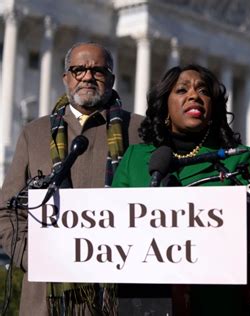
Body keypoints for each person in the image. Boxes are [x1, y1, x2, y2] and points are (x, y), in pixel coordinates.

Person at [0, 42, 143, 315]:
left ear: (111, 79)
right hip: (46, 298)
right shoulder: (35, 133)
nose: (88, 77)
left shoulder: (138, 130)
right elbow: (7, 209)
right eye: (78, 70)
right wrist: (29, 255)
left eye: (98, 71)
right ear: (66, 77)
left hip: (117, 296)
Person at [112, 64, 250, 315]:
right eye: (182, 90)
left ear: (213, 108)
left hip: (215, 299)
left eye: (203, 91)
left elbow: (249, 233)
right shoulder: (135, 158)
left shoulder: (239, 159)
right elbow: (111, 226)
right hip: (146, 298)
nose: (194, 96)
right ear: (165, 106)